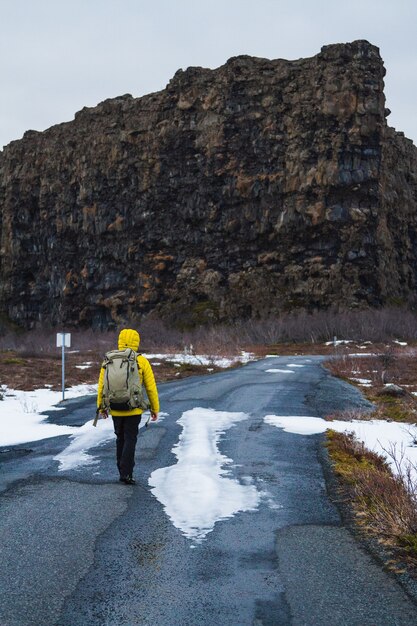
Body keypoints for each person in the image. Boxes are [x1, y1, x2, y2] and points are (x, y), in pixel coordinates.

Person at [97, 328, 159, 484]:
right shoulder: (141, 361)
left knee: (120, 438)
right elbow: (151, 388)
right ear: (136, 342)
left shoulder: (109, 360)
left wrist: (101, 407)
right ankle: (127, 473)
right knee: (130, 439)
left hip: (115, 408)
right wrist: (154, 408)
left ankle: (121, 470)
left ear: (119, 340)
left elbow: (102, 386)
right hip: (134, 408)